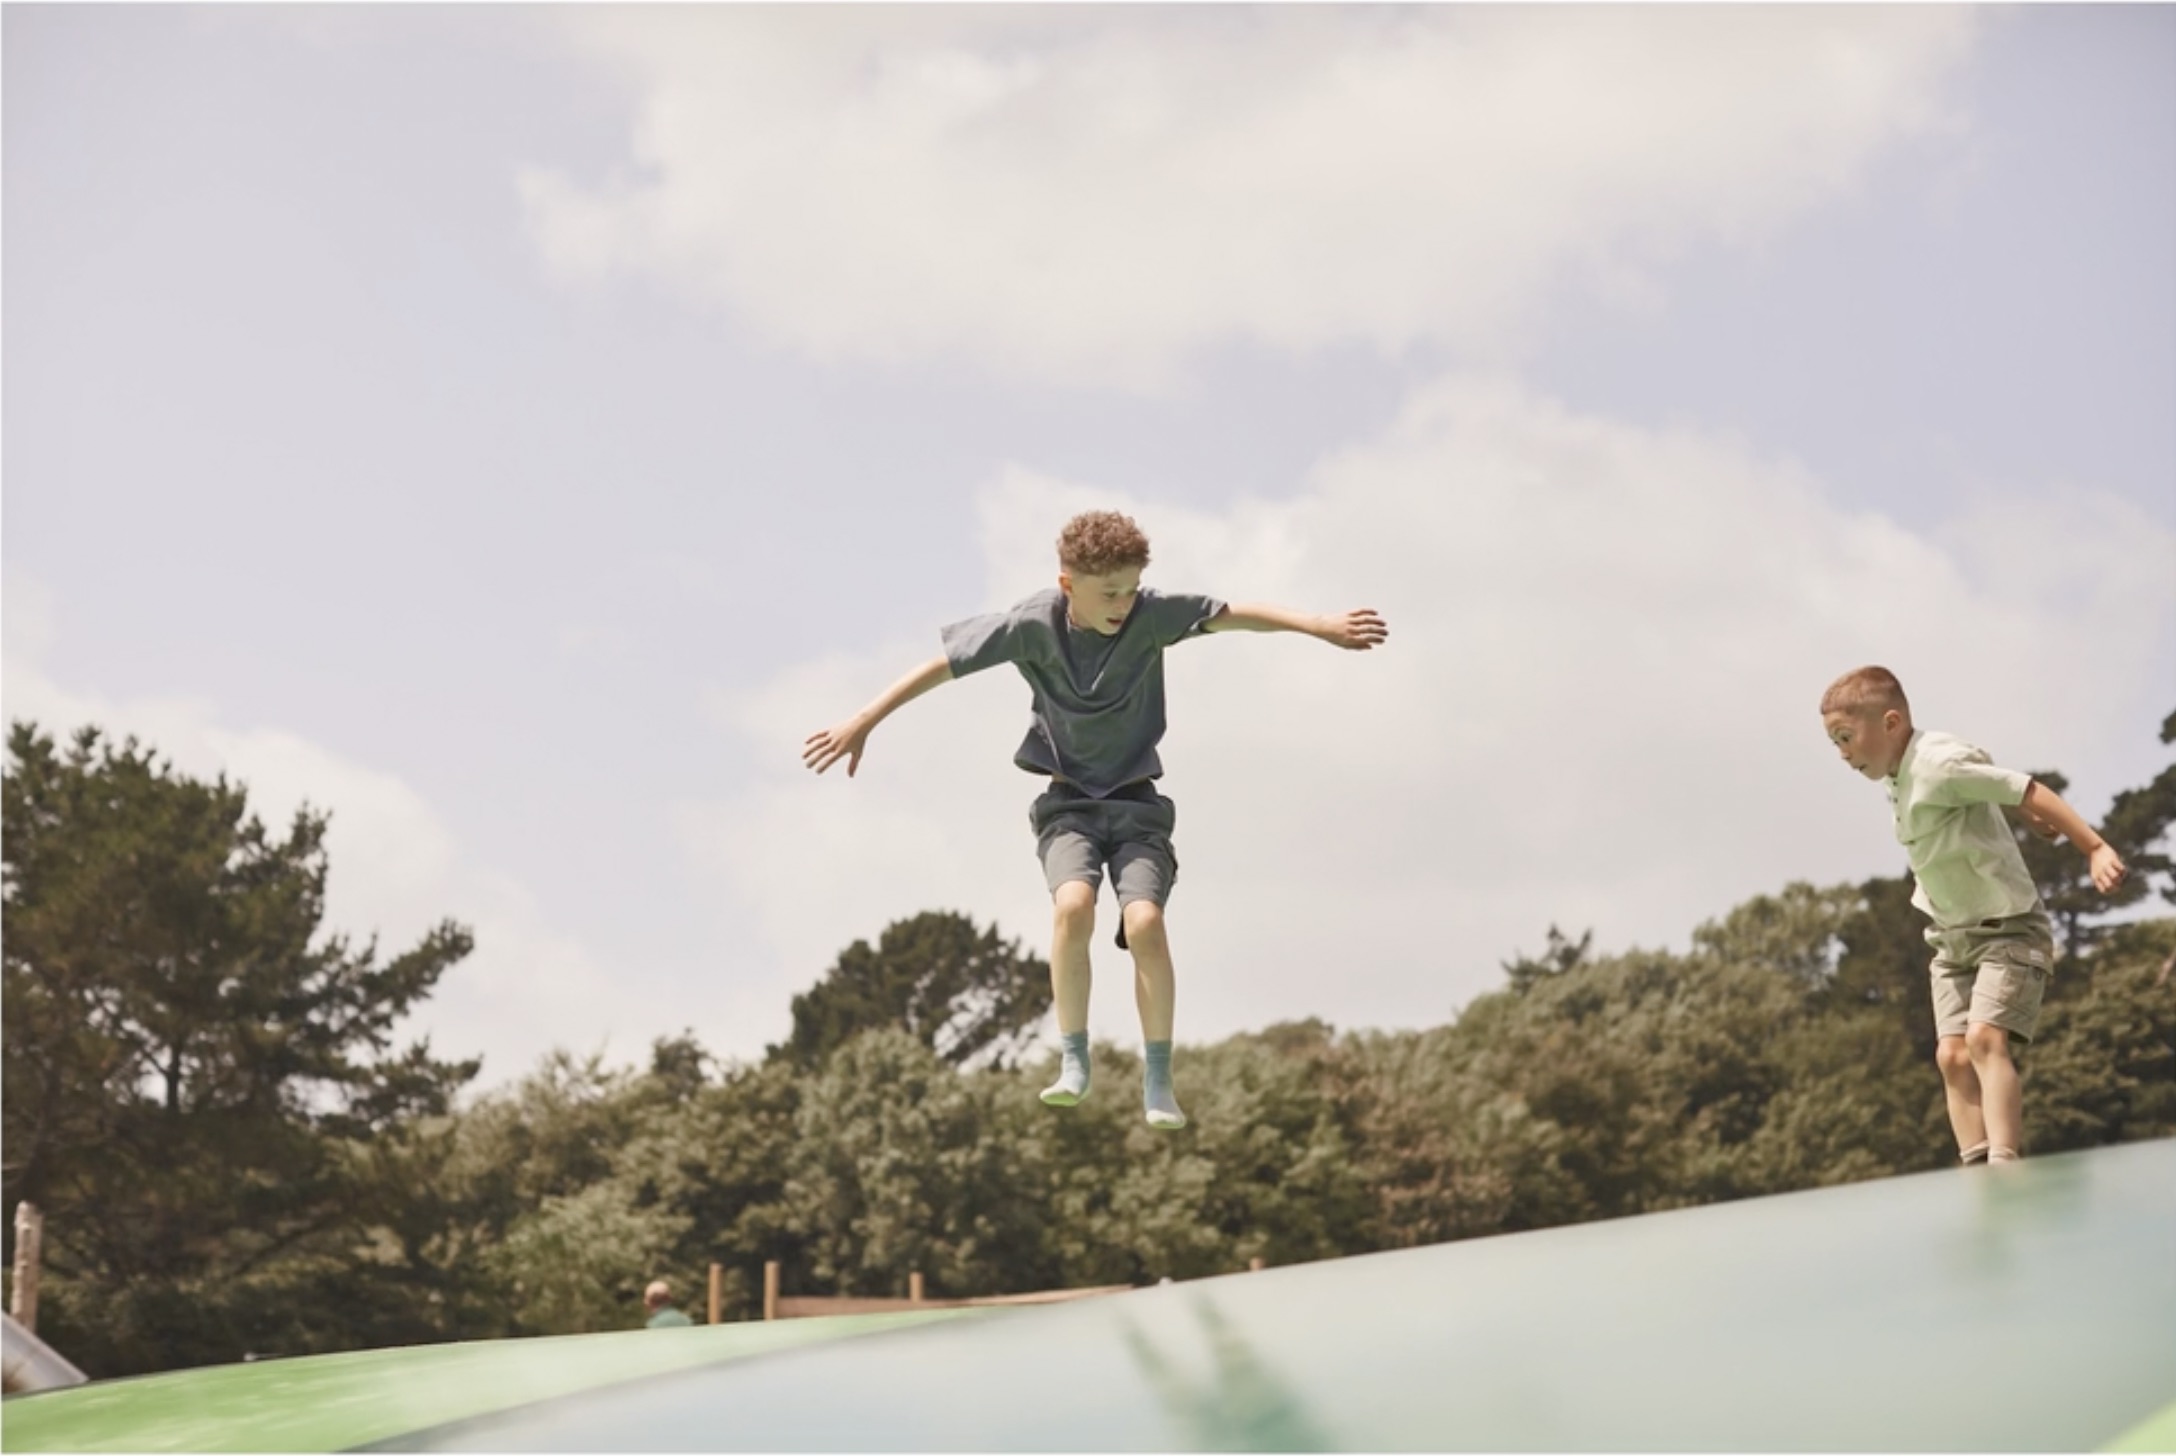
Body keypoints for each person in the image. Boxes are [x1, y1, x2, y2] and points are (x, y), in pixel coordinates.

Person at [804, 510, 1387, 1129]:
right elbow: (941, 667)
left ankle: (1157, 1075)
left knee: (1145, 924)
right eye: (1110, 592)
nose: (1123, 603)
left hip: (1138, 807)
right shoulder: (1031, 626)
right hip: (1069, 808)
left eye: (1132, 588)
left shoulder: (1151, 616)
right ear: (1067, 586)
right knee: (1073, 906)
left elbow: (1237, 615)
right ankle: (1073, 1059)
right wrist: (861, 721)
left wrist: (1320, 625)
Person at [1818, 666, 2127, 1165]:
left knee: (1985, 1040)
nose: (1843, 753)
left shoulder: (1936, 764)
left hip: (2008, 928)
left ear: (1892, 723)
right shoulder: (1897, 774)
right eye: (1834, 742)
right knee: (1951, 1056)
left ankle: (2005, 1165)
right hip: (1950, 939)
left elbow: (2024, 786)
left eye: (1847, 738)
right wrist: (2019, 812)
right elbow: (1985, 770)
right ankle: (1977, 1170)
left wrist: (2093, 847)